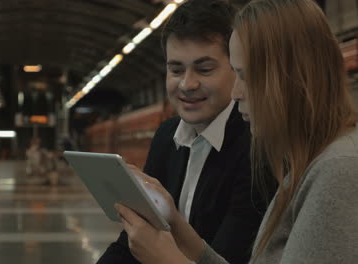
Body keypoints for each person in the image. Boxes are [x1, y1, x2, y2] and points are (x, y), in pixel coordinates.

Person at [115, 0, 358, 263]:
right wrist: (175, 224)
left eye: (244, 76)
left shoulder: (338, 170)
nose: (236, 92)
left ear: (289, 77)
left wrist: (166, 259)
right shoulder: (306, 167)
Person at [97, 1, 270, 263]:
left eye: (204, 69)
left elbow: (228, 256)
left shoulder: (258, 146)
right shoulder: (166, 137)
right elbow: (134, 240)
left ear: (236, 68)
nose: (187, 84)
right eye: (176, 70)